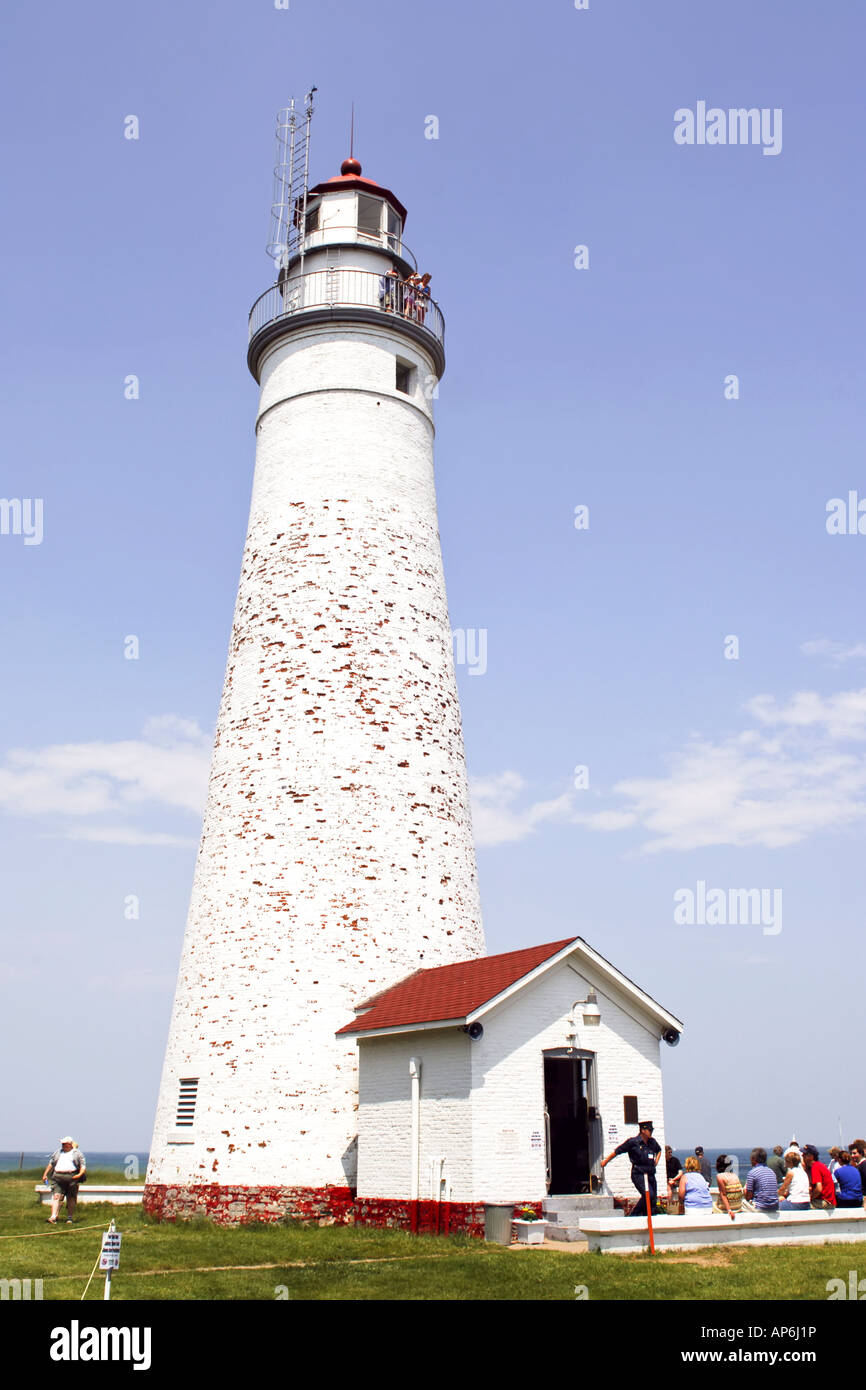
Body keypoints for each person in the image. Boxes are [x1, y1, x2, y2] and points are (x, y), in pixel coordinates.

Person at [600, 1120, 662, 1216]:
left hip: (650, 1173)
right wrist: (606, 1161)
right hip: (639, 1173)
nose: (651, 1132)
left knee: (652, 1200)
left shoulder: (652, 1142)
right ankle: (633, 1215)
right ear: (643, 1130)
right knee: (648, 1195)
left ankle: (647, 1217)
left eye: (652, 1130)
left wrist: (656, 1162)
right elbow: (617, 1151)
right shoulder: (633, 1142)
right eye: (649, 1130)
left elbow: (659, 1150)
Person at [42, 1136, 86, 1224]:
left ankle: (69, 1217)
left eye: (65, 1143)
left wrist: (79, 1175)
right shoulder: (58, 1152)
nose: (63, 1145)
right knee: (56, 1196)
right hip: (58, 1177)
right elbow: (51, 1163)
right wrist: (45, 1174)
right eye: (62, 1143)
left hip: (72, 1177)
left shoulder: (77, 1153)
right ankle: (53, 1216)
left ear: (69, 1144)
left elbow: (82, 1166)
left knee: (71, 1198)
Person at [743, 1148, 780, 1212]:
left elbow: (748, 1197)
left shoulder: (752, 1173)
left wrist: (744, 1192)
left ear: (754, 1159)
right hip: (775, 1206)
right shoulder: (771, 1172)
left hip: (761, 1207)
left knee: (742, 1203)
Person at [802, 1145, 836, 1210]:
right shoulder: (819, 1165)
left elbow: (819, 1188)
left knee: (802, 1205)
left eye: (804, 1155)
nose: (802, 1156)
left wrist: (810, 1197)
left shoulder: (815, 1167)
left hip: (826, 1202)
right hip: (829, 1201)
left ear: (811, 1156)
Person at [713, 1155, 743, 1220]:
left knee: (712, 1206)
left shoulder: (720, 1176)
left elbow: (723, 1194)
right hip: (738, 1206)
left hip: (729, 1207)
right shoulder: (735, 1175)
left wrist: (729, 1210)